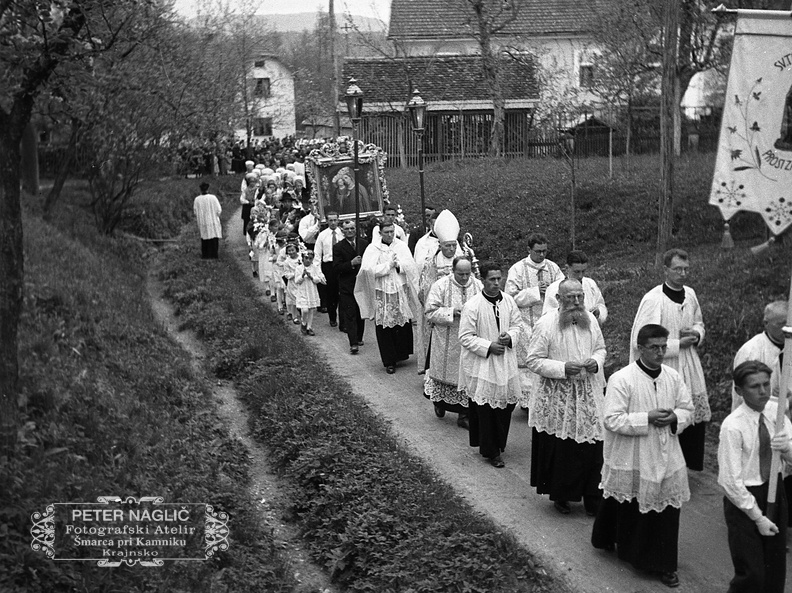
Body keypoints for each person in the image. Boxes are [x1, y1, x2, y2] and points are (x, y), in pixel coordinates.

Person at [592, 324, 693, 589]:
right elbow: (611, 419)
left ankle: (664, 563)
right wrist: (646, 418)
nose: (660, 353)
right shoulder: (622, 379)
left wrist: (675, 418)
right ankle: (636, 553)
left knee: (666, 506)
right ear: (640, 348)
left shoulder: (672, 376)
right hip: (633, 453)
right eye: (654, 347)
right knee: (630, 499)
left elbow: (687, 408)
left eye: (663, 347)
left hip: (667, 450)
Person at [526, 279, 606, 516]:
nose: (576, 302)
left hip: (587, 392)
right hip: (557, 396)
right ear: (559, 299)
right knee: (563, 448)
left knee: (593, 443)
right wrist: (562, 368)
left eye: (580, 296)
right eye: (570, 297)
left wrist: (596, 362)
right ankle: (562, 495)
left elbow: (601, 348)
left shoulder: (590, 320)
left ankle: (593, 496)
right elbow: (533, 360)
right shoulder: (546, 324)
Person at [629, 248, 709, 471]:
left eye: (686, 269)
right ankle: (659, 466)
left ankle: (684, 465)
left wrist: (696, 334)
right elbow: (641, 338)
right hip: (663, 363)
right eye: (677, 269)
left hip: (689, 363)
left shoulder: (690, 294)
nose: (682, 274)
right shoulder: (654, 299)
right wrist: (675, 344)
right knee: (664, 411)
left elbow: (699, 322)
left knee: (687, 410)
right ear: (665, 270)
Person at [719, 360, 791, 593]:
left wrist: (788, 449)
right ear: (739, 391)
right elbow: (731, 481)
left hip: (774, 490)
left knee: (774, 568)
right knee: (752, 574)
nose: (763, 391)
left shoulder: (777, 413)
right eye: (754, 386)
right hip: (744, 500)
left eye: (766, 384)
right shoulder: (733, 426)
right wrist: (757, 517)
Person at [458, 262, 523, 468]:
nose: (496, 283)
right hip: (483, 364)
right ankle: (491, 451)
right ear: (483, 280)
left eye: (498, 278)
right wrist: (488, 346)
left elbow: (517, 325)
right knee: (486, 408)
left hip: (505, 361)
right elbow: (465, 337)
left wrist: (509, 336)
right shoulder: (473, 305)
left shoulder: (509, 301)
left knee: (505, 405)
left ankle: (498, 443)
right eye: (492, 279)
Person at [505, 233, 564, 409]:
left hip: (548, 322)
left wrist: (552, 291)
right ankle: (527, 402)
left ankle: (546, 398)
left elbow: (563, 290)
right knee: (528, 361)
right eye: (538, 251)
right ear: (529, 250)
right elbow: (510, 297)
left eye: (545, 251)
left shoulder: (553, 268)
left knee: (547, 358)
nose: (542, 255)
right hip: (525, 323)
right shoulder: (517, 269)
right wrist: (534, 291)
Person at [424, 256, 482, 428]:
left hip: (470, 339)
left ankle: (464, 415)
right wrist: (451, 312)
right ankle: (440, 404)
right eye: (460, 274)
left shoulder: (478, 285)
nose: (464, 278)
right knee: (446, 376)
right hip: (447, 338)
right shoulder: (440, 286)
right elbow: (430, 312)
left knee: (467, 376)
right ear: (452, 271)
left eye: (467, 273)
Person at [355, 222, 420, 374]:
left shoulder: (401, 246)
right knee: (385, 325)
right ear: (380, 233)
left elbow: (411, 265)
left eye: (392, 232)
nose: (390, 235)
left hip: (399, 289)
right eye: (386, 232)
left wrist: (399, 265)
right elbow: (367, 270)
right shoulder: (373, 248)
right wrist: (387, 266)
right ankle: (389, 360)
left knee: (402, 322)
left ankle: (400, 354)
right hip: (382, 290)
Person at [415, 210, 464, 374]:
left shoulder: (462, 257)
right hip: (441, 308)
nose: (451, 249)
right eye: (447, 246)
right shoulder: (433, 261)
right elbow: (426, 287)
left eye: (454, 245)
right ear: (440, 245)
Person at [731, 301, 787, 411]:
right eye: (781, 324)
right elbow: (744, 395)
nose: (787, 329)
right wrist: (782, 402)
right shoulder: (750, 351)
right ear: (766, 323)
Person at [542, 250, 607, 325]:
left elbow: (600, 304)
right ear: (567, 268)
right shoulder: (554, 289)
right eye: (577, 272)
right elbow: (547, 317)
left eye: (583, 271)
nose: (580, 276)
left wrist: (599, 313)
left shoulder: (591, 284)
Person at [333, 220, 369, 354]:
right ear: (342, 231)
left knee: (360, 312)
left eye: (352, 228)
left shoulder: (364, 244)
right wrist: (351, 263)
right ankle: (353, 342)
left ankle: (359, 337)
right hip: (347, 285)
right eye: (347, 229)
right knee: (350, 313)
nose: (350, 231)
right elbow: (336, 268)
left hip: (362, 284)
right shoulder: (338, 247)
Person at [314, 211, 344, 327]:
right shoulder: (322, 235)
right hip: (329, 266)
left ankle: (344, 321)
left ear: (338, 220)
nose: (333, 223)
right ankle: (332, 317)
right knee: (331, 294)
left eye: (335, 220)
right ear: (326, 221)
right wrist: (319, 272)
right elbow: (317, 255)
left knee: (343, 293)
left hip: (341, 265)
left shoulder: (342, 233)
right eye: (330, 220)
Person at [294, 249, 326, 336]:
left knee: (311, 309)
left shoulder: (314, 268)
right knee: (304, 310)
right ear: (303, 258)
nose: (308, 260)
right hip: (303, 291)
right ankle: (304, 323)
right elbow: (297, 281)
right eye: (306, 258)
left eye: (310, 258)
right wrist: (303, 275)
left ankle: (309, 327)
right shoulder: (298, 268)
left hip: (311, 290)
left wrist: (311, 277)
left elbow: (318, 279)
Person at [193, 182, 222, 259]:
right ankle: (214, 254)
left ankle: (206, 255)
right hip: (213, 220)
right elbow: (219, 210)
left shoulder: (197, 199)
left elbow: (195, 212)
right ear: (208, 189)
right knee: (213, 237)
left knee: (205, 238)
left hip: (203, 221)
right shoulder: (213, 198)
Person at [281, 242, 302, 325]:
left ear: (296, 250)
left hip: (301, 281)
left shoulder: (301, 258)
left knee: (301, 298)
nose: (291, 252)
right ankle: (294, 316)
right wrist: (294, 274)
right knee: (294, 300)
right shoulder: (287, 262)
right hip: (293, 282)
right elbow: (286, 274)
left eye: (292, 250)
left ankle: (302, 315)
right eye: (289, 251)